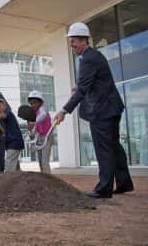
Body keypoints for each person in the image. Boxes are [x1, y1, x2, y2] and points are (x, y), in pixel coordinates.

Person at [54, 22, 133, 198]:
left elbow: (82, 90)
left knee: (104, 149)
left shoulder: (88, 59)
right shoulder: (94, 56)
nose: (71, 45)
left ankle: (104, 189)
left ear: (83, 40)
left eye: (73, 41)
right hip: (112, 108)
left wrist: (64, 111)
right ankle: (124, 183)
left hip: (102, 111)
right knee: (114, 146)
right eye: (70, 41)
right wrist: (81, 87)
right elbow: (94, 84)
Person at [0, 98, 24, 172]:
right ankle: (19, 176)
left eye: (0, 106)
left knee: (9, 162)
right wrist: (5, 134)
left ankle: (8, 178)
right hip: (11, 143)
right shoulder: (3, 120)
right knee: (14, 162)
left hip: (15, 142)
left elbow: (3, 115)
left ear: (5, 105)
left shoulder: (8, 112)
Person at [27, 90, 52, 174]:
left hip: (47, 137)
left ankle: (50, 181)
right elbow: (33, 133)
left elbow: (43, 115)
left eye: (35, 102)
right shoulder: (34, 114)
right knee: (41, 163)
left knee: (45, 162)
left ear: (40, 102)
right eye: (31, 103)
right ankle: (44, 180)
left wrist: (33, 122)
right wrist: (31, 131)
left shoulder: (42, 109)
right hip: (40, 138)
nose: (33, 105)